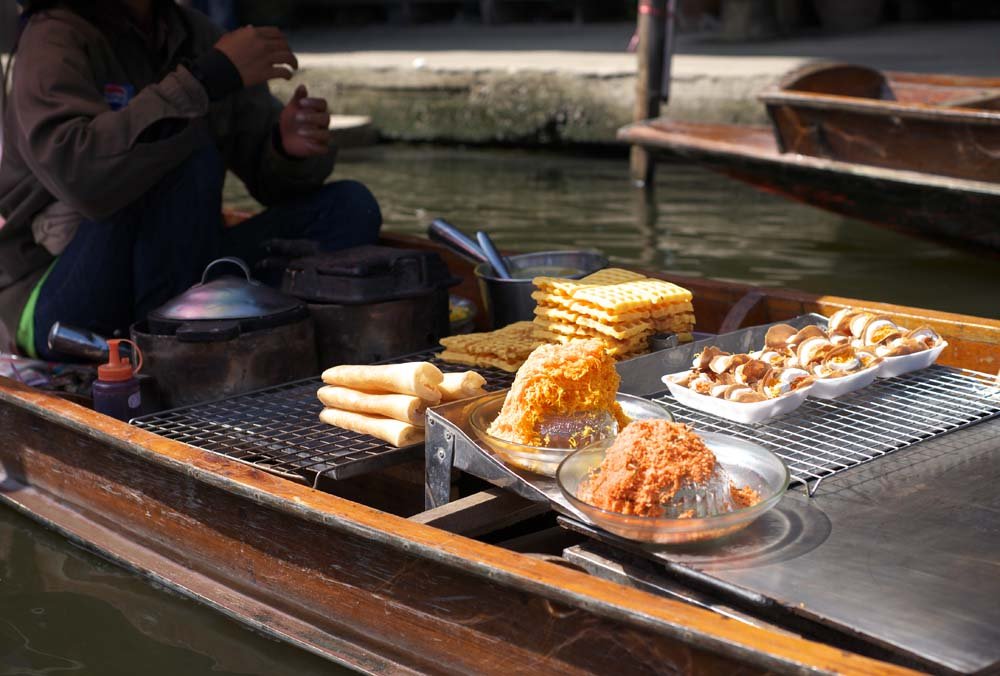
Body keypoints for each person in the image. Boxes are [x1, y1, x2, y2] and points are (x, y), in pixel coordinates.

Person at [0, 0, 382, 360]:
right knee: (184, 154)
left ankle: (227, 319)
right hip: (57, 295)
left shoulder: (197, 35)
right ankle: (175, 347)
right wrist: (205, 80)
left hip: (181, 265)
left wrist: (285, 146)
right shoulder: (52, 37)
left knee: (349, 206)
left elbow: (271, 184)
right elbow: (81, 178)